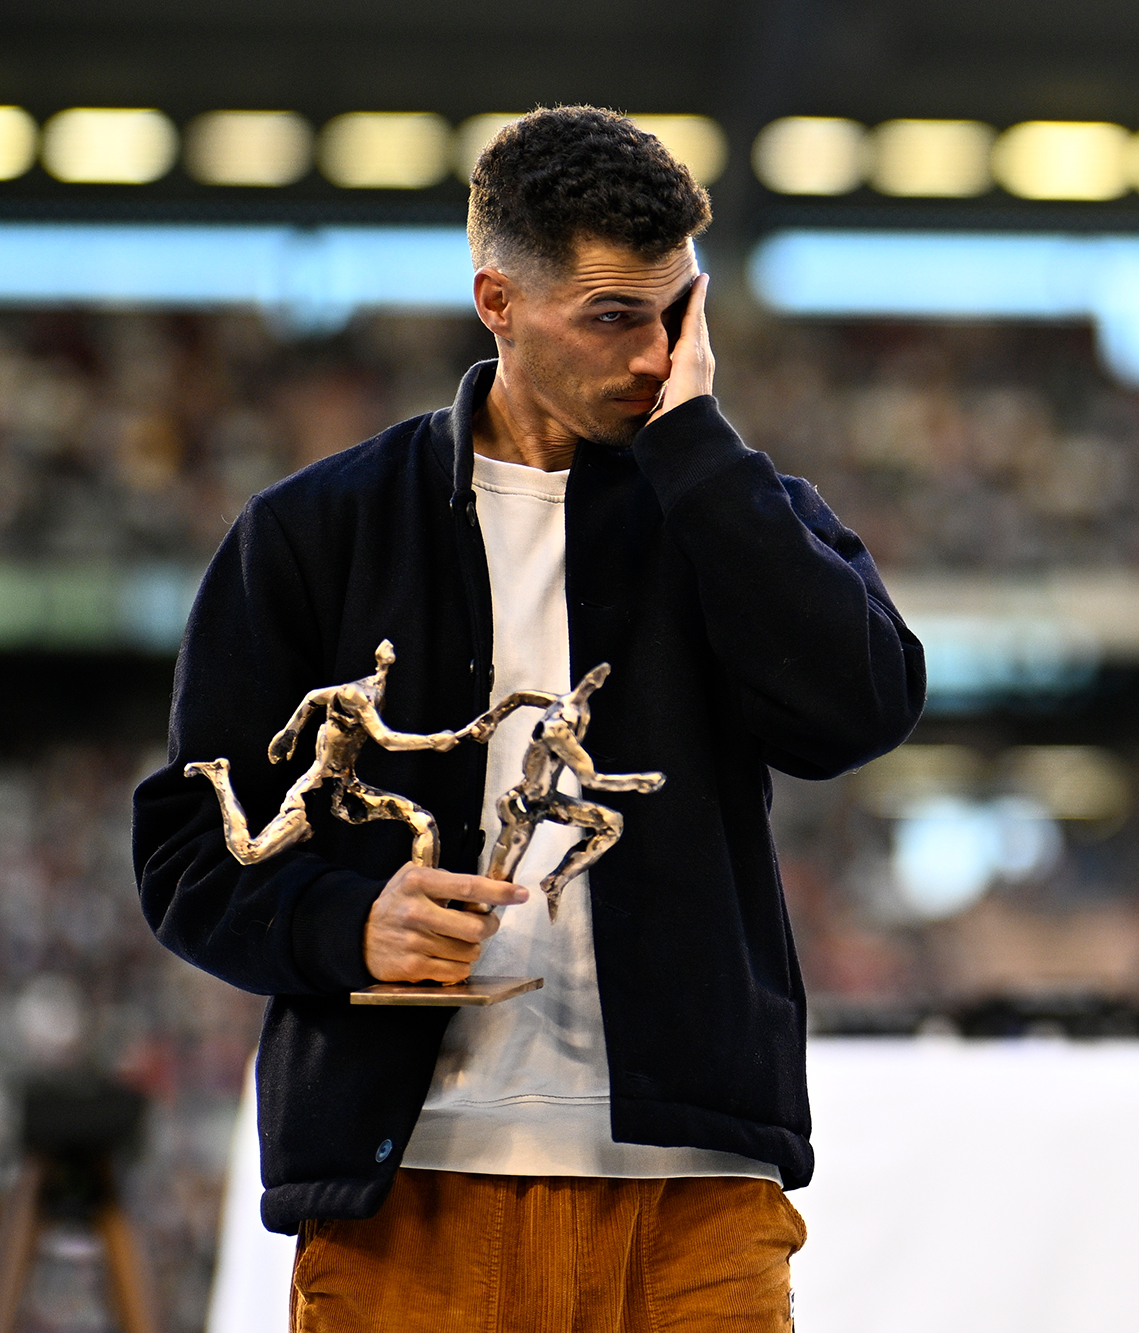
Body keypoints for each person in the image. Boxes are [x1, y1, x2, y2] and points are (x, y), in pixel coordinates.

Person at [133, 105, 925, 1332]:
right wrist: (350, 923)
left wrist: (703, 454)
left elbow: (858, 712)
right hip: (409, 1189)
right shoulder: (312, 532)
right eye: (612, 317)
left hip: (695, 1194)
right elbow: (186, 852)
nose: (654, 355)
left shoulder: (731, 508)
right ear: (495, 301)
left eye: (675, 314)